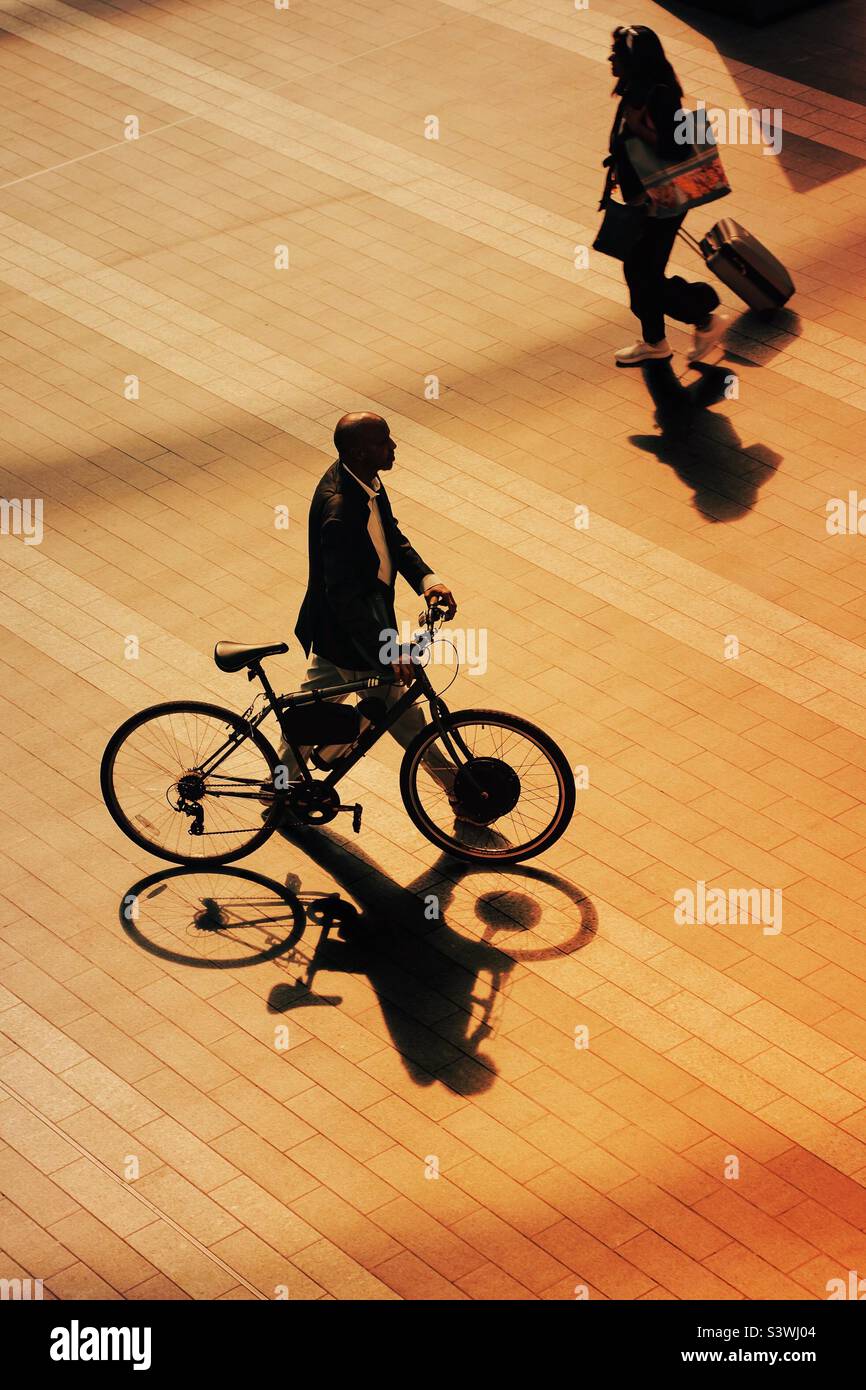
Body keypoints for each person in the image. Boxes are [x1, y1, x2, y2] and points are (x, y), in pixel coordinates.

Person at [282, 412, 460, 805]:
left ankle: (282, 784)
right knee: (401, 712)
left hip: (346, 628)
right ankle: (460, 792)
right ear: (361, 451)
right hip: (350, 633)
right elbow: (343, 595)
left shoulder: (364, 481)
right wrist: (388, 647)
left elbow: (391, 537)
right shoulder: (341, 510)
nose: (393, 446)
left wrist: (427, 580)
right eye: (384, 442)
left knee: (313, 706)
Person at [605, 24, 728, 367]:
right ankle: (655, 341)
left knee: (643, 274)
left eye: (617, 53)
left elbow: (676, 148)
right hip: (644, 201)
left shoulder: (659, 94)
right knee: (640, 271)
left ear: (634, 59)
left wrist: (637, 127)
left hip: (661, 204)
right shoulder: (636, 89)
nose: (610, 57)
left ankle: (703, 315)